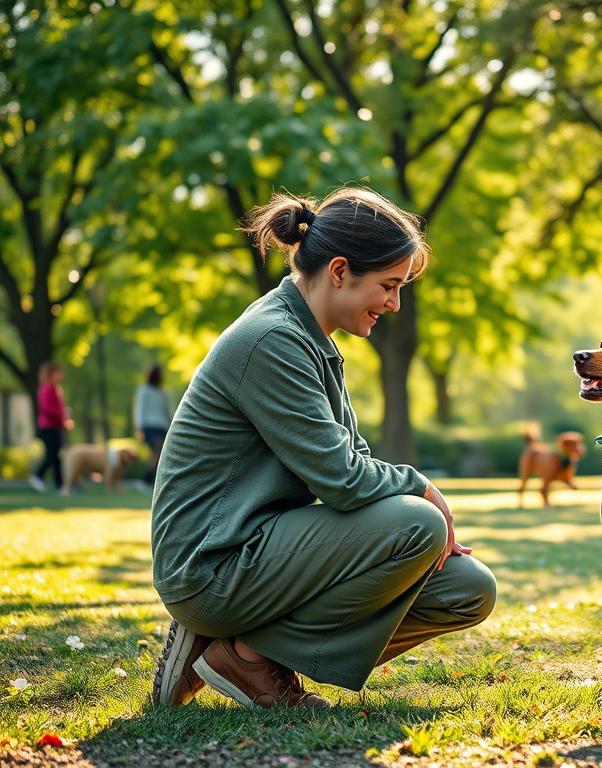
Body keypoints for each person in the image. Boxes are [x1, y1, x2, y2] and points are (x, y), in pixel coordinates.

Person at [150, 188, 496, 710]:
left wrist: (408, 497)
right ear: (339, 271)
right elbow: (343, 480)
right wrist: (420, 486)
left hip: (262, 551)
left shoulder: (312, 339)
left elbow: (354, 460)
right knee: (418, 525)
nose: (395, 304)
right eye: (388, 286)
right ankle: (243, 656)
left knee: (466, 589)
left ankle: (245, 651)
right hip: (212, 566)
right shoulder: (272, 339)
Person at [29, 361, 73, 494]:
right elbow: (48, 409)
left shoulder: (54, 388)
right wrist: (62, 416)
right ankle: (38, 475)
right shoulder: (48, 388)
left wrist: (64, 417)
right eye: (58, 372)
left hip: (54, 425)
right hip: (49, 426)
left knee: (55, 455)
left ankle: (60, 485)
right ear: (51, 373)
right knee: (53, 453)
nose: (61, 375)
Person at [134, 364, 172, 493]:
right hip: (149, 427)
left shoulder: (164, 392)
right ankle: (146, 481)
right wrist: (139, 426)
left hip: (161, 427)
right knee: (157, 452)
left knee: (159, 454)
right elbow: (140, 409)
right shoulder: (144, 390)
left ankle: (153, 481)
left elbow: (168, 411)